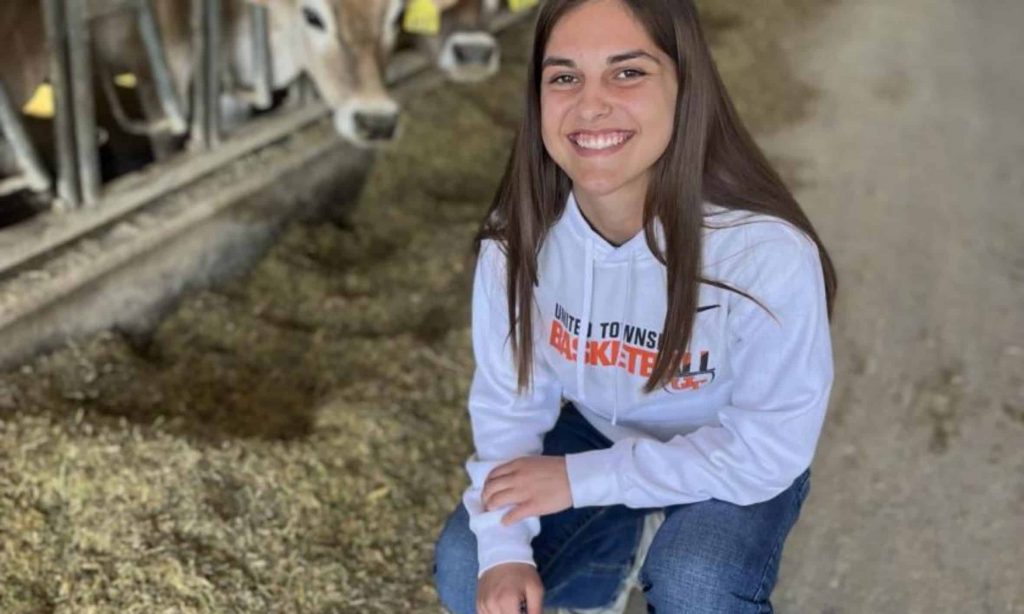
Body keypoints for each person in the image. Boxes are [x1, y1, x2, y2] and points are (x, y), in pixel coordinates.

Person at [433, 0, 837, 612]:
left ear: (686, 85)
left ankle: (654, 532)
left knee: (695, 580)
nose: (590, 104)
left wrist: (580, 481)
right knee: (467, 567)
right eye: (564, 76)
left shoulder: (765, 253)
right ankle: (607, 565)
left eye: (628, 72)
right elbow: (509, 403)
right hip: (600, 428)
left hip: (730, 452)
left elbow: (768, 448)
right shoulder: (518, 237)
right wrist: (504, 550)